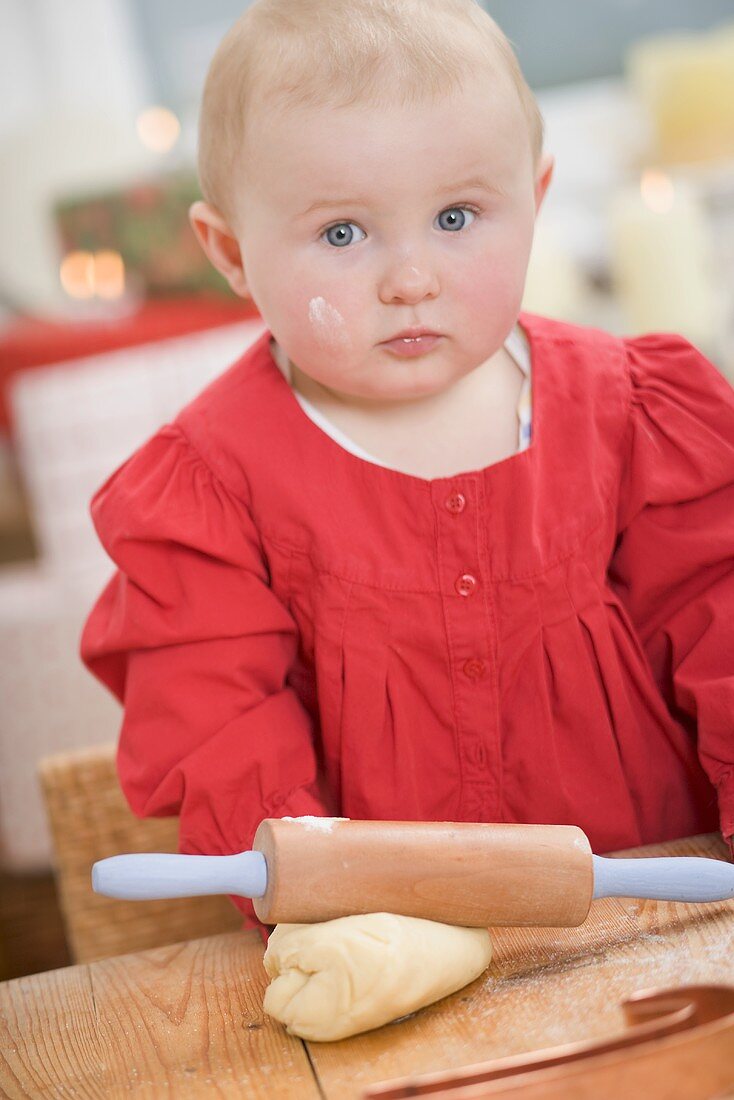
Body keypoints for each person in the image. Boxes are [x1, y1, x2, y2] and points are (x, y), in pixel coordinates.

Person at [80, 0, 734, 940]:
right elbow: (216, 726)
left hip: (655, 903)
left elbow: (720, 621)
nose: (411, 278)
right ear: (230, 252)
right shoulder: (212, 488)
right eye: (344, 233)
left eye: (457, 216)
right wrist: (317, 897)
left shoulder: (633, 412)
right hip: (387, 936)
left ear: (536, 201)